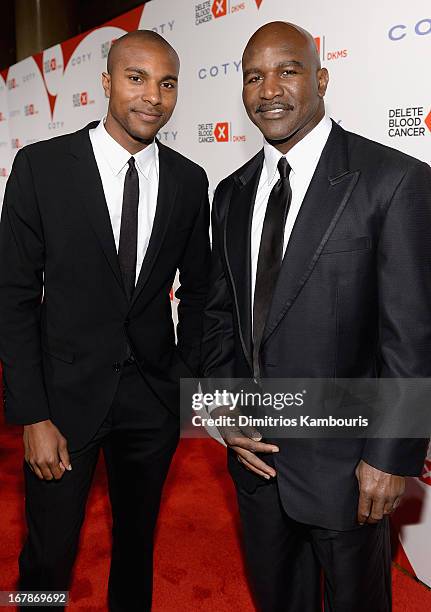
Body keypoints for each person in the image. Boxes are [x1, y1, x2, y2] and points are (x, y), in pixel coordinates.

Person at [201, 21, 431, 612]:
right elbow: (220, 318)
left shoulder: (393, 179)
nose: (268, 89)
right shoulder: (231, 192)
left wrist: (388, 456)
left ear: (321, 78)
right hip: (255, 462)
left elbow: (411, 337)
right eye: (254, 77)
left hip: (348, 469)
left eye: (287, 70)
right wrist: (222, 410)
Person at [0, 30, 210, 611]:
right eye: (137, 78)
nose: (153, 97)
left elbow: (199, 290)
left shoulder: (191, 182)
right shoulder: (42, 167)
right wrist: (32, 414)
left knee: (137, 544)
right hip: (63, 404)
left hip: (152, 400)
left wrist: (182, 380)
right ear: (106, 83)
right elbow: (13, 296)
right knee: (49, 553)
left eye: (167, 83)